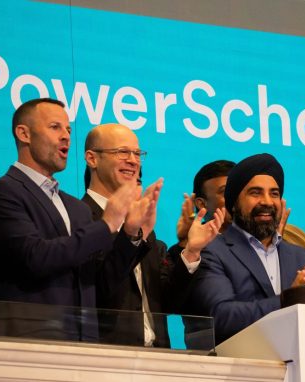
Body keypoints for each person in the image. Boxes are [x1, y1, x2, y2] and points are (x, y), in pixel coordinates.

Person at [0, 98, 160, 341]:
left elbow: (100, 284)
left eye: (68, 129)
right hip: (31, 341)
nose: (67, 136)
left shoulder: (75, 208)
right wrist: (106, 225)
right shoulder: (3, 191)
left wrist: (130, 233)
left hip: (84, 346)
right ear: (24, 133)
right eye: (55, 127)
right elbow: (34, 257)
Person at [82, 123, 217, 347]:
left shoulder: (145, 228)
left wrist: (191, 251)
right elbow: (98, 290)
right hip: (105, 357)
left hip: (157, 361)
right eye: (122, 152)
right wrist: (131, 235)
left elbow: (167, 302)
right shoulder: (79, 217)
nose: (133, 160)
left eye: (137, 153)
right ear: (92, 158)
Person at [190, 153, 305, 344]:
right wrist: (289, 298)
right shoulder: (212, 251)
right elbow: (222, 317)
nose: (267, 202)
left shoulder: (302, 257)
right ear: (234, 203)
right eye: (255, 193)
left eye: (274, 193)